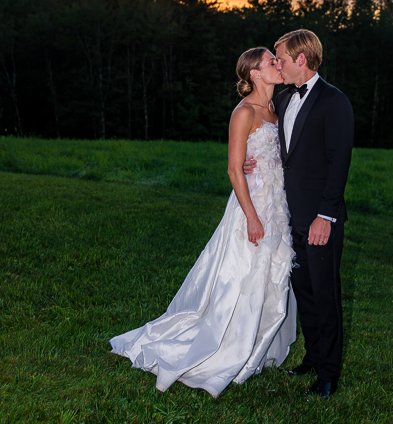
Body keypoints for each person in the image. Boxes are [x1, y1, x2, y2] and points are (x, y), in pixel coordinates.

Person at [109, 47, 296, 397]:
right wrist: (253, 218)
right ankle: (226, 348)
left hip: (278, 203)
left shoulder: (277, 106)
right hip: (252, 206)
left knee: (275, 272)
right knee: (243, 277)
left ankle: (260, 346)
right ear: (255, 73)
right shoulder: (244, 112)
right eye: (271, 61)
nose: (277, 64)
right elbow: (232, 168)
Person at [244, 29, 353, 399]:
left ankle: (328, 374)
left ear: (301, 59)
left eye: (283, 60)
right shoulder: (285, 99)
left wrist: (326, 216)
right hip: (288, 216)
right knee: (304, 293)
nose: (279, 65)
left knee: (325, 295)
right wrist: (249, 164)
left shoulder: (334, 102)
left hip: (321, 220)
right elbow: (278, 152)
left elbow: (339, 164)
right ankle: (312, 357)